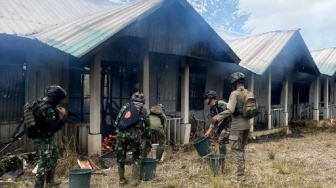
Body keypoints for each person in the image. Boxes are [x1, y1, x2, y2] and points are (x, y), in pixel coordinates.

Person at [212, 72, 253, 181]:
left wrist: (218, 117)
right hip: (247, 124)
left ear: (234, 83)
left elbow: (230, 110)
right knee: (241, 148)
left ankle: (240, 176)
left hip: (237, 125)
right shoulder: (248, 93)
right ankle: (242, 171)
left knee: (236, 149)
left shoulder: (234, 94)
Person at [30, 85, 68, 188]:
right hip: (43, 138)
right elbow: (53, 128)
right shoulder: (48, 109)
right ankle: (39, 186)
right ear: (54, 97)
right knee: (44, 161)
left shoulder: (39, 101)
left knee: (54, 155)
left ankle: (50, 182)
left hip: (43, 135)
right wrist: (63, 117)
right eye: (59, 99)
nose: (59, 101)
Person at [114, 92, 151, 185]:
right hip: (135, 137)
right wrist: (148, 139)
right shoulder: (144, 111)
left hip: (121, 136)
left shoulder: (125, 108)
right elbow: (148, 127)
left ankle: (121, 181)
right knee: (137, 157)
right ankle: (134, 182)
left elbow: (116, 123)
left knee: (121, 158)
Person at [203, 90, 231, 156]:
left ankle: (222, 157)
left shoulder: (221, 103)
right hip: (221, 125)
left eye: (206, 99)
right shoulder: (212, 108)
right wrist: (209, 131)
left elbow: (231, 111)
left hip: (229, 124)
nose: (205, 100)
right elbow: (213, 121)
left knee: (221, 139)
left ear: (211, 98)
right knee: (214, 138)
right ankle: (218, 154)